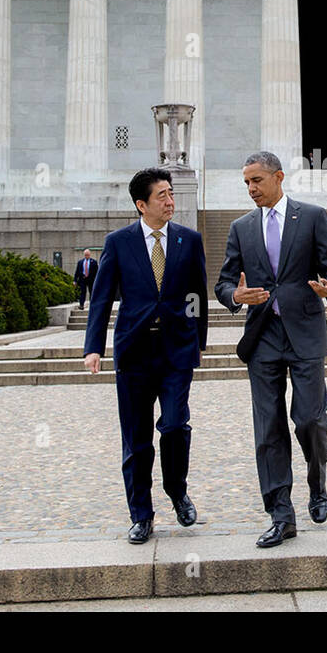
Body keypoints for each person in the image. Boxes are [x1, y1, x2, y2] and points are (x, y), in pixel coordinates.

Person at [215, 151, 327, 548]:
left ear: (278, 177)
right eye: (246, 183)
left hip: (305, 332)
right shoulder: (241, 227)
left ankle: (317, 482)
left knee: (309, 419)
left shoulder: (311, 216)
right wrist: (235, 296)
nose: (251, 189)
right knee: (268, 429)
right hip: (262, 338)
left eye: (257, 180)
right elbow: (222, 284)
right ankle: (281, 515)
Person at [83, 168, 209, 545]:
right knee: (136, 440)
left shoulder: (190, 240)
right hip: (134, 353)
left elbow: (197, 296)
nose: (171, 201)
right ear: (142, 204)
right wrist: (93, 347)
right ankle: (141, 514)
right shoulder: (118, 242)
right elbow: (102, 299)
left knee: (174, 425)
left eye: (171, 194)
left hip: (176, 353)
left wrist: (197, 342)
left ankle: (177, 490)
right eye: (162, 196)